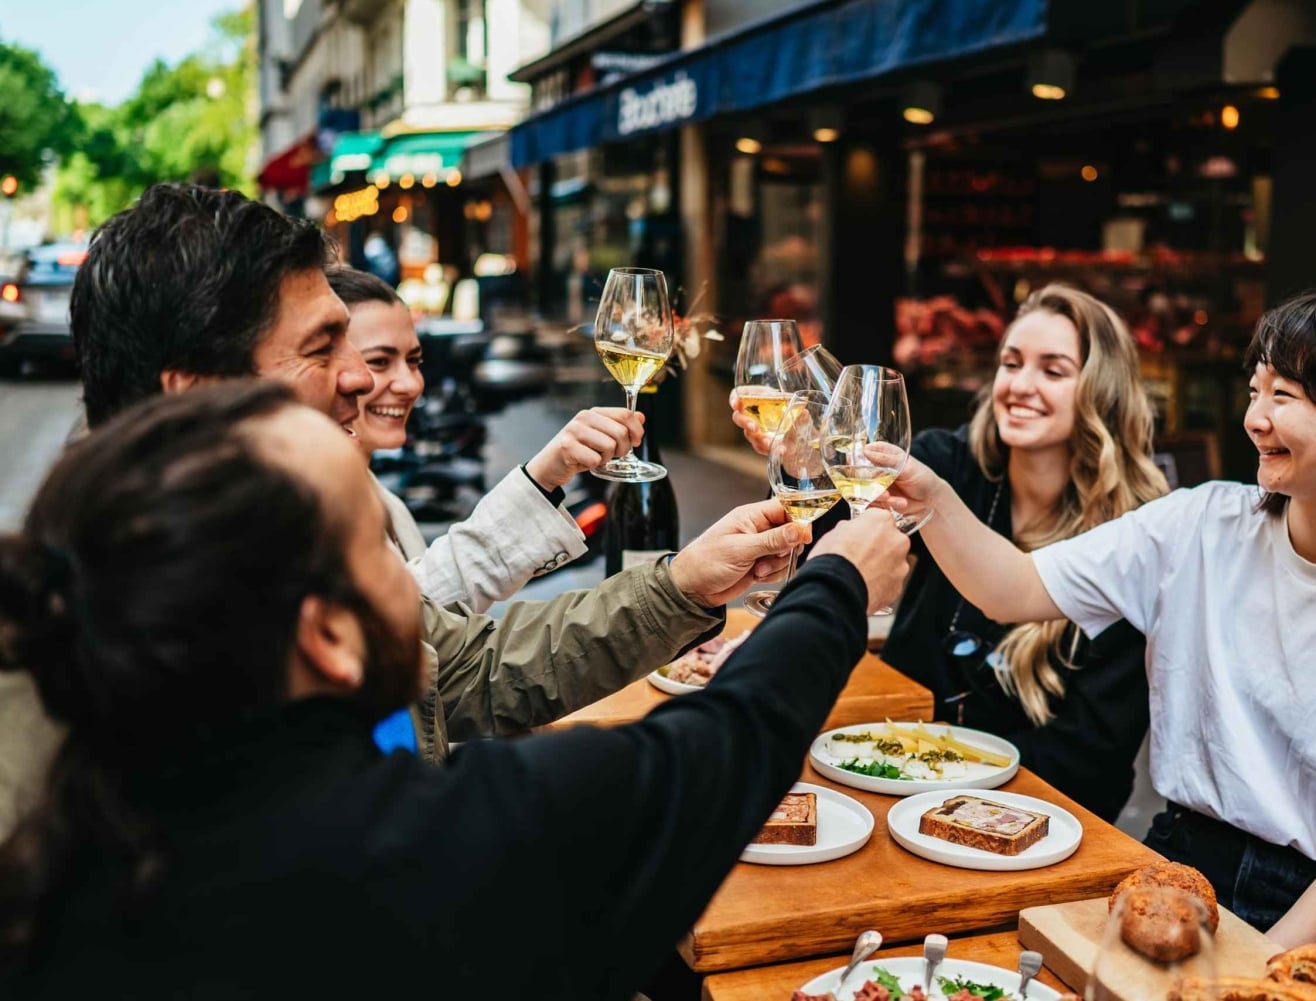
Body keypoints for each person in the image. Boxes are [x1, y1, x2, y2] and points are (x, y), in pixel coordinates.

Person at [0, 381, 911, 997]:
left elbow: (480, 665)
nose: (418, 575)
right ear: (327, 638)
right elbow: (716, 750)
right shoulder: (415, 855)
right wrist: (837, 587)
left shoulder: (76, 855)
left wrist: (680, 586)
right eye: (378, 549)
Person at [0, 184, 804, 835]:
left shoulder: (274, 528)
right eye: (323, 348)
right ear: (197, 393)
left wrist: (684, 585)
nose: (365, 379)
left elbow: (467, 668)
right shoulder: (92, 663)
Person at [888, 284, 1316, 1001]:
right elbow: (1012, 587)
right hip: (1176, 872)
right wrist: (931, 497)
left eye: (1284, 395)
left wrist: (1249, 977)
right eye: (1255, 389)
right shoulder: (1199, 526)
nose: (1254, 417)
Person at [731, 285, 1166, 822]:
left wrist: (939, 779)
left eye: (1053, 371)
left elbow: (1091, 762)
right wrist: (802, 463)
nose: (1020, 385)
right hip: (883, 767)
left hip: (1027, 812)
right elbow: (827, 534)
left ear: (1104, 392)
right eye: (1011, 363)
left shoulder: (1136, 536)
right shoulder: (951, 462)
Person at [328, 264, 638, 609]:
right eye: (378, 361)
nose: (410, 384)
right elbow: (407, 613)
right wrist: (542, 476)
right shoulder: (315, 509)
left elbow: (435, 618)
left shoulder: (378, 496)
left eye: (414, 361)